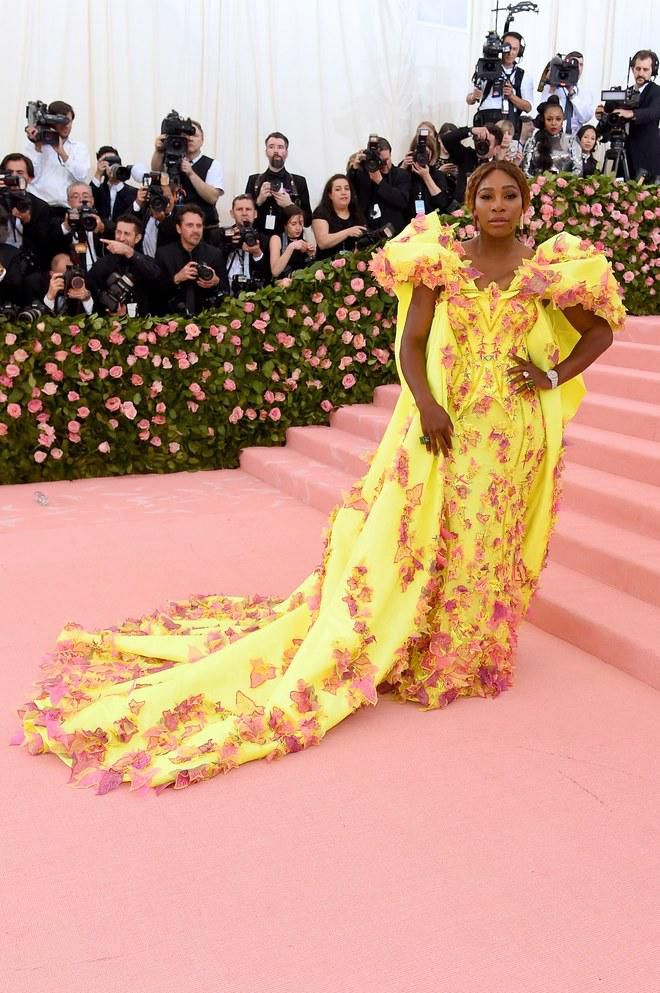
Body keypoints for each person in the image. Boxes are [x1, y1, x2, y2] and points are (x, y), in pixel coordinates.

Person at [15, 161, 625, 794]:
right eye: (486, 196)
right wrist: (429, 405)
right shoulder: (440, 259)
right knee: (428, 530)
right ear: (470, 204)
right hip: (448, 421)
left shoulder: (549, 268)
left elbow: (600, 330)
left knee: (487, 535)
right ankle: (422, 638)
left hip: (513, 434)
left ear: (526, 203)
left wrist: (553, 376)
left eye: (510, 196)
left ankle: (467, 648)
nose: (498, 205)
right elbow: (412, 345)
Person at [596, 50, 660, 180]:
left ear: (652, 71)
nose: (641, 73)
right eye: (638, 68)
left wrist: (631, 113)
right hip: (621, 154)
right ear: (632, 69)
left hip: (646, 157)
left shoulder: (656, 91)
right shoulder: (624, 93)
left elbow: (654, 112)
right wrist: (603, 117)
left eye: (645, 69)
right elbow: (610, 123)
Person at [156, 203, 227, 315]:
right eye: (190, 225)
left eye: (199, 226)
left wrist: (215, 281)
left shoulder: (214, 254)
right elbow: (156, 291)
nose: (195, 230)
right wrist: (177, 278)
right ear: (179, 228)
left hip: (207, 317)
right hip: (172, 318)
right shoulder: (164, 254)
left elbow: (225, 290)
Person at [150, 119, 223, 228]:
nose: (189, 138)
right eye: (185, 135)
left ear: (202, 140)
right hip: (173, 226)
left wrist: (191, 173)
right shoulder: (170, 160)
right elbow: (156, 172)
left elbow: (212, 197)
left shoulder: (213, 164)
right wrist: (159, 150)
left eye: (194, 135)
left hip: (203, 228)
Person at [87, 215, 161, 316]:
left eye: (127, 234)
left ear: (137, 238)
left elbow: (156, 275)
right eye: (118, 232)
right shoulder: (103, 263)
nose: (121, 238)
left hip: (142, 322)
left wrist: (128, 252)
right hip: (109, 324)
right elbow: (91, 291)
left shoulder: (146, 261)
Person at [24, 100, 90, 207]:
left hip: (65, 206)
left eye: (69, 121)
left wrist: (62, 153)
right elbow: (31, 177)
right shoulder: (34, 146)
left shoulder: (79, 147)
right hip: (39, 206)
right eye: (62, 122)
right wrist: (38, 147)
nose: (66, 126)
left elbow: (82, 176)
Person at [467, 31, 533, 136]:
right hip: (486, 119)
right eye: (507, 47)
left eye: (515, 49)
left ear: (519, 52)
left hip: (511, 120)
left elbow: (528, 107)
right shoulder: (485, 67)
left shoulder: (524, 76)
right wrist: (474, 96)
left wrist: (512, 96)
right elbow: (469, 99)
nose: (510, 52)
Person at [246, 132, 312, 235]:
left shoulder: (299, 182)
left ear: (286, 152)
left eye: (280, 147)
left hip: (290, 240)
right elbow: (245, 218)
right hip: (260, 240)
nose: (276, 151)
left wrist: (290, 205)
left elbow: (308, 221)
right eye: (271, 147)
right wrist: (258, 201)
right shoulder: (254, 181)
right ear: (266, 151)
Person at [347, 137, 411, 235]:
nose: (385, 165)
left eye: (387, 160)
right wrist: (355, 169)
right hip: (372, 233)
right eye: (380, 162)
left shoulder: (401, 175)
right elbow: (350, 192)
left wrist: (379, 181)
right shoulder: (363, 175)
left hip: (398, 232)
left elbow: (401, 201)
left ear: (390, 154)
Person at [442, 123, 503, 203]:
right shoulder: (466, 156)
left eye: (487, 142)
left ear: (496, 149)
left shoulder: (499, 168)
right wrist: (471, 130)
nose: (481, 145)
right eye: (479, 141)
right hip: (461, 210)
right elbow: (446, 140)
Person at [521, 96, 582, 176]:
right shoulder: (532, 142)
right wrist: (538, 185)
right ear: (543, 120)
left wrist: (564, 183)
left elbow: (578, 170)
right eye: (549, 119)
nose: (553, 123)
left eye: (558, 119)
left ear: (563, 119)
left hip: (566, 186)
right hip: (537, 186)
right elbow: (525, 171)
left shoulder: (571, 141)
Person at [400, 125, 452, 218]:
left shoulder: (437, 175)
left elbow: (442, 203)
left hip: (432, 224)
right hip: (408, 224)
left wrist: (426, 177)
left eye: (426, 154)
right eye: (418, 154)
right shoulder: (405, 172)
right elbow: (395, 198)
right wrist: (403, 167)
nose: (422, 157)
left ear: (432, 155)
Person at [221, 194, 271, 293]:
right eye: (239, 209)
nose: (244, 213)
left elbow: (268, 273)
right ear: (232, 213)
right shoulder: (222, 236)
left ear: (255, 214)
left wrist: (257, 254)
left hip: (255, 293)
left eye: (248, 209)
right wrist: (229, 245)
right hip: (226, 292)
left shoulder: (264, 240)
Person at [538, 51, 595, 137]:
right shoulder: (551, 88)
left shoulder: (586, 91)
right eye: (574, 63)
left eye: (581, 65)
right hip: (553, 136)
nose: (578, 67)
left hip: (576, 138)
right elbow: (542, 112)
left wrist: (572, 93)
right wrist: (552, 88)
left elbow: (585, 118)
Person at [311, 174, 366, 261]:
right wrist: (348, 232)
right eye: (338, 189)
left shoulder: (356, 211)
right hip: (326, 266)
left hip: (353, 264)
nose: (343, 192)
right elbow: (323, 242)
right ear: (330, 195)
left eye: (347, 188)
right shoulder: (321, 212)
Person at [91, 146, 138, 227]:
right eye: (108, 162)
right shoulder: (98, 189)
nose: (112, 165)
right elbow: (89, 199)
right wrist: (98, 174)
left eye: (114, 160)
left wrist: (119, 180)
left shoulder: (133, 192)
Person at [269, 204, 315, 278]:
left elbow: (310, 269)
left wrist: (311, 255)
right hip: (282, 283)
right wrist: (291, 247)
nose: (298, 228)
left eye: (301, 223)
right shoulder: (276, 239)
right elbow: (275, 272)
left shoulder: (305, 238)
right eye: (293, 224)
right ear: (285, 224)